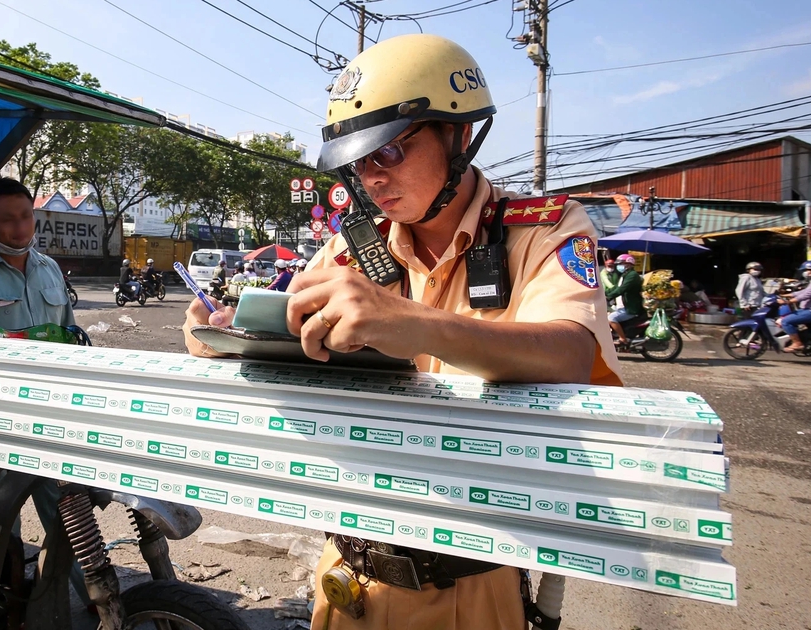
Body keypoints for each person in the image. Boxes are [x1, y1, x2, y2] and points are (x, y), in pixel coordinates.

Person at [182, 33, 619, 630]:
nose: (371, 179)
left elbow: (569, 352)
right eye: (358, 163)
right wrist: (221, 331)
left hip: (470, 585)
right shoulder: (348, 249)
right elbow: (272, 331)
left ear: (459, 135)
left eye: (388, 153)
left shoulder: (542, 233)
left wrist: (415, 325)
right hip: (346, 574)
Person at [0, 178, 87, 605]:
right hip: (4, 420)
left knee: (69, 513)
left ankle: (91, 603)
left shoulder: (49, 270)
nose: (20, 227)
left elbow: (67, 336)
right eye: (7, 220)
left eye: (26, 215)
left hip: (56, 412)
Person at [605, 254, 644, 345]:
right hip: (622, 306)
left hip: (630, 308)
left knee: (611, 318)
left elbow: (622, 289)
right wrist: (603, 293)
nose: (619, 266)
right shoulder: (625, 275)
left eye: (621, 263)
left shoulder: (632, 275)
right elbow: (616, 287)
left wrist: (609, 297)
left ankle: (622, 338)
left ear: (629, 264)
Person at [777, 261, 811, 352]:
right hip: (806, 309)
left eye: (808, 270)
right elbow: (802, 292)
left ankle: (797, 343)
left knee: (786, 321)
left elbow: (806, 295)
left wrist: (788, 301)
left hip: (809, 311)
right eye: (806, 270)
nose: (807, 273)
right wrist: (786, 295)